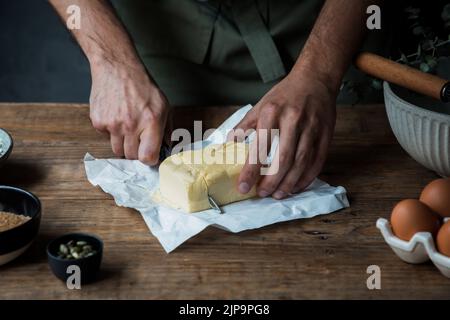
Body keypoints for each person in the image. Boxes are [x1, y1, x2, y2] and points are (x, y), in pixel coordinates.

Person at [49, 0, 381, 200]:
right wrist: (111, 60)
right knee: (153, 146)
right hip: (168, 26)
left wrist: (321, 72)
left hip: (323, 24)